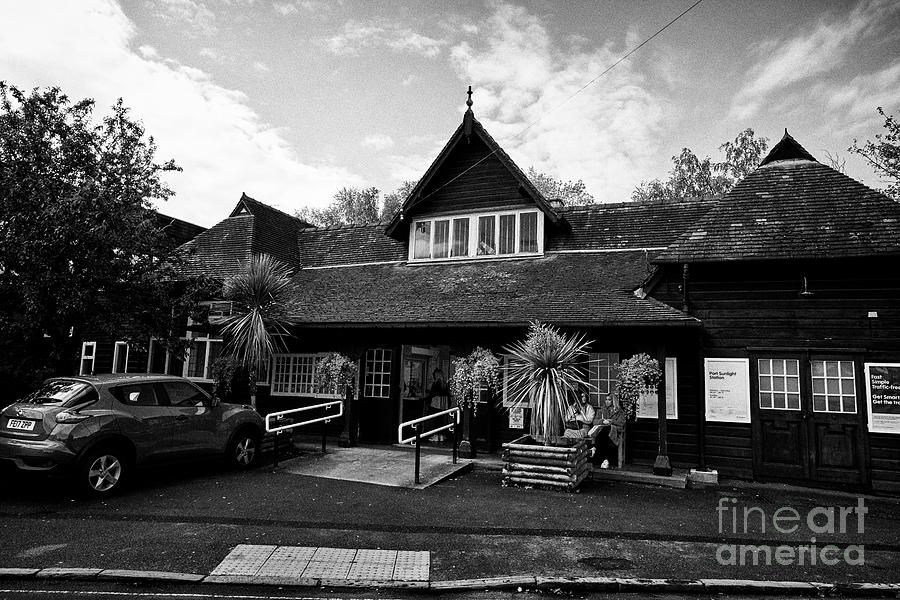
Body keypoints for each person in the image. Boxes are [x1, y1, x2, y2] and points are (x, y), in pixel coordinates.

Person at [595, 394, 626, 468]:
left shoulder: (619, 412)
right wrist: (602, 421)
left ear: (613, 401)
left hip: (614, 434)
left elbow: (621, 423)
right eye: (606, 399)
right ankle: (606, 460)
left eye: (609, 400)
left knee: (607, 431)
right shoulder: (601, 410)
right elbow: (594, 421)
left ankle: (604, 458)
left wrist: (611, 421)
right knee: (604, 432)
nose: (607, 401)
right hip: (602, 433)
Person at [427, 368, 449, 442]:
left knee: (435, 420)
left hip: (436, 403)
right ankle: (441, 436)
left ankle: (436, 435)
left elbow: (432, 394)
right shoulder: (445, 384)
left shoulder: (436, 383)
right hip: (443, 404)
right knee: (441, 420)